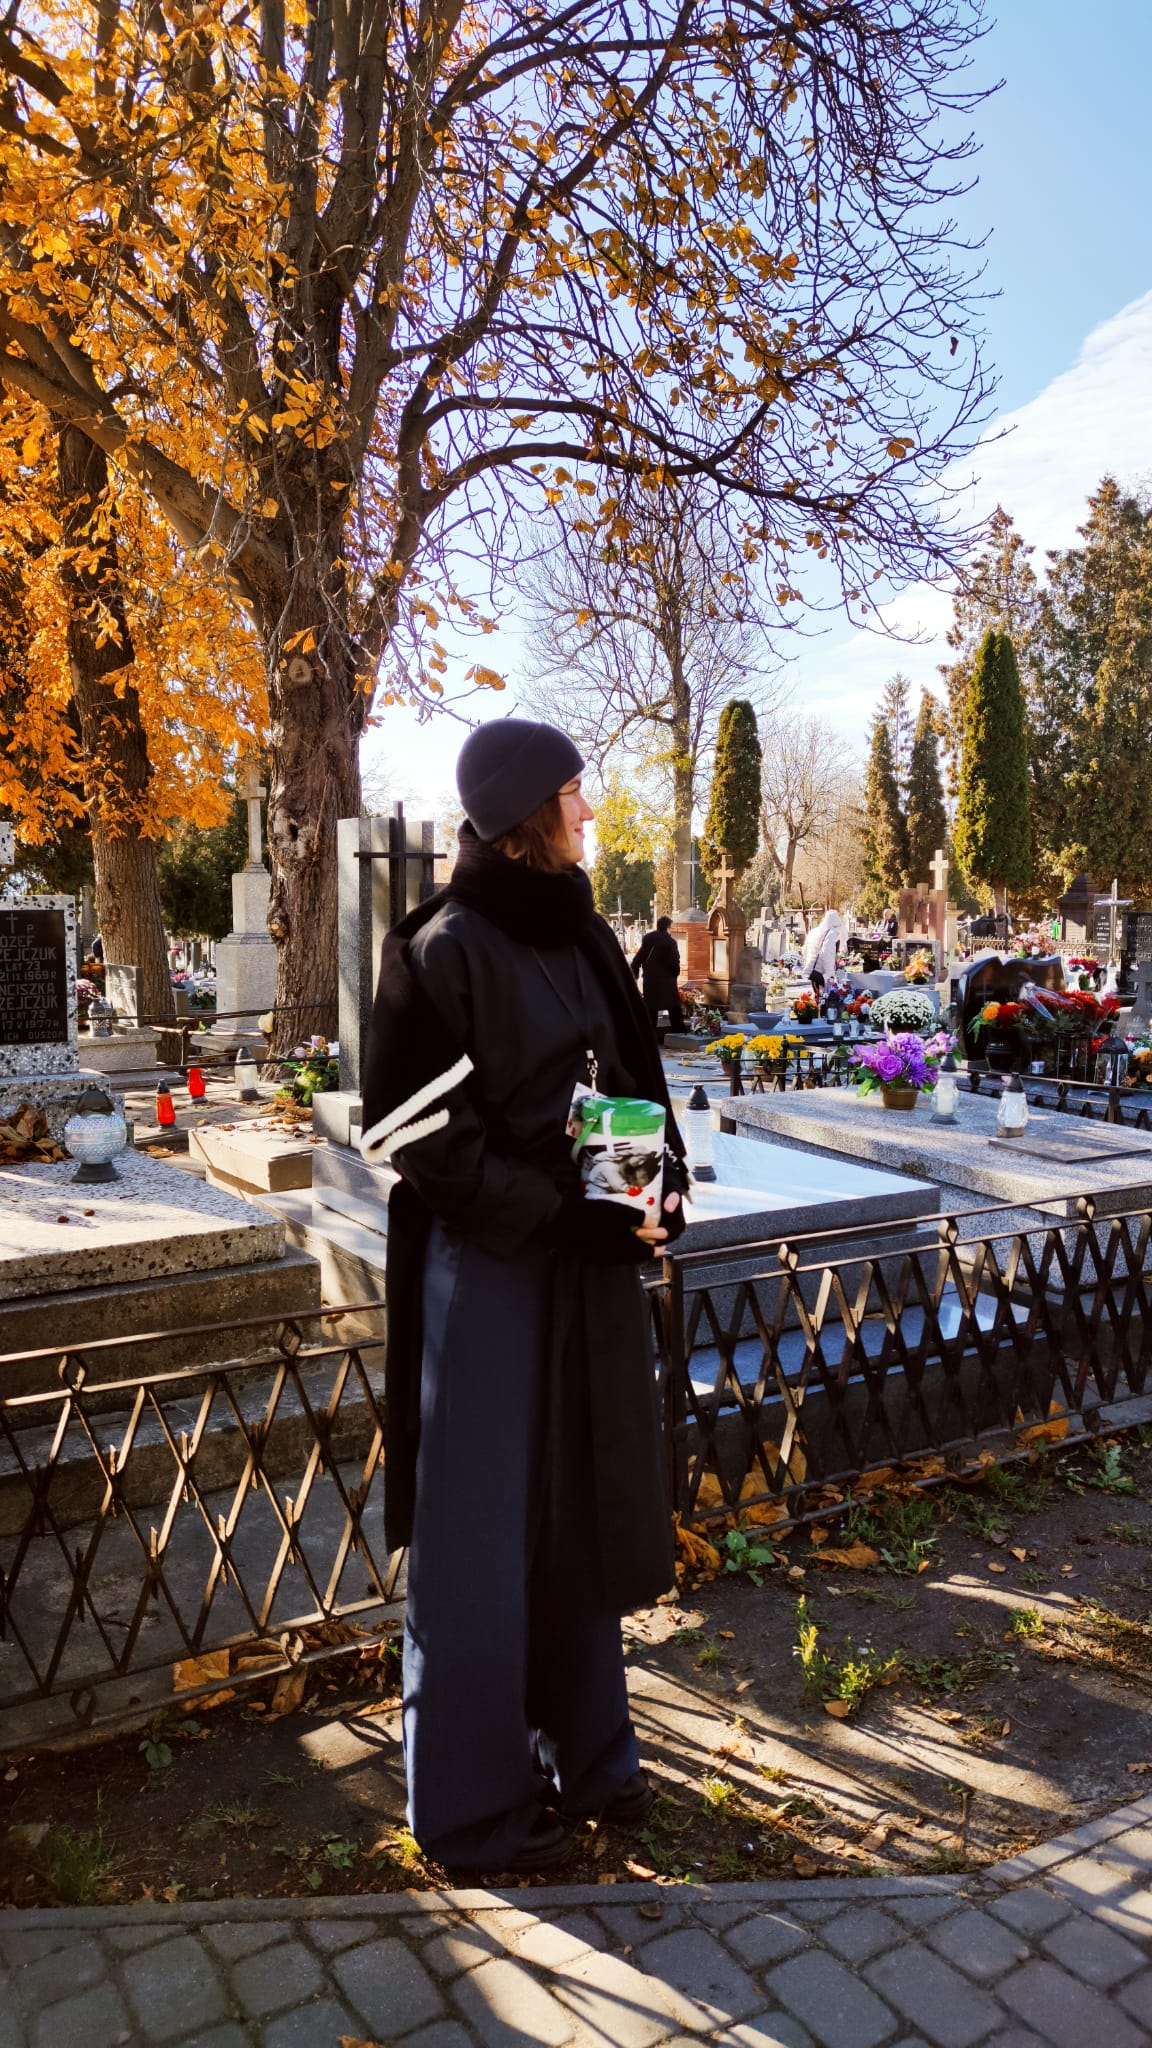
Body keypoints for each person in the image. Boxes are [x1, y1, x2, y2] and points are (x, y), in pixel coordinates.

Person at [359, 718, 688, 1878]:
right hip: (488, 1272)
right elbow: (416, 1139)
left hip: (582, 1265)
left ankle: (590, 1752)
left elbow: (632, 1083)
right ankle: (472, 1808)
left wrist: (654, 1189)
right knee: (478, 1538)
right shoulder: (435, 948)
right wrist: (559, 1213)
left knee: (580, 1507)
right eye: (572, 791)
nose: (588, 808)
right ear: (522, 813)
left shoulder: (585, 930)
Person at [631, 914, 684, 1034]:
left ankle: (650, 1036)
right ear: (668, 927)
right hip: (667, 982)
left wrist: (637, 976)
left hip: (650, 982)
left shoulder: (648, 941)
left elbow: (636, 961)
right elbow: (674, 962)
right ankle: (678, 1034)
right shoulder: (670, 942)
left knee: (652, 1010)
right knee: (673, 1010)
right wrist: (675, 974)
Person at [801, 907, 842, 993]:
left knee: (812, 997)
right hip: (821, 974)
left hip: (811, 971)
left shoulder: (813, 931)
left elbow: (804, 950)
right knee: (823, 998)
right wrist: (830, 975)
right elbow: (827, 954)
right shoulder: (830, 933)